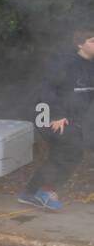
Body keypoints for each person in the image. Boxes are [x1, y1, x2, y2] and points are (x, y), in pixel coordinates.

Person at [18, 26, 94, 211]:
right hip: (46, 114)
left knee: (67, 153)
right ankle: (44, 192)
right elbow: (46, 89)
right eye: (92, 40)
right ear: (79, 44)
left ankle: (30, 193)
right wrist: (57, 115)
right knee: (71, 149)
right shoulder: (65, 64)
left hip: (69, 118)